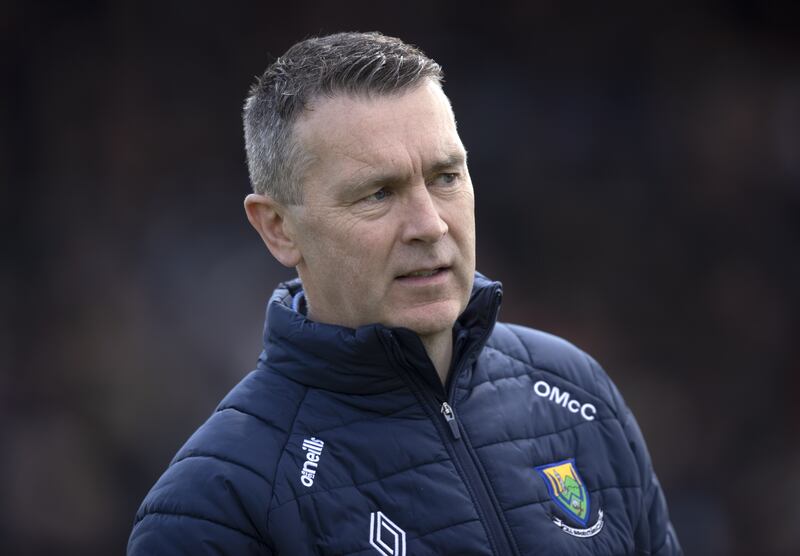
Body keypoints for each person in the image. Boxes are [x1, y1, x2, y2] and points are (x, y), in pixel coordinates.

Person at [128, 32, 681, 555]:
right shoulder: (214, 505)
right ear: (278, 228)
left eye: (445, 177)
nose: (430, 225)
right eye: (378, 193)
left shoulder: (575, 392)